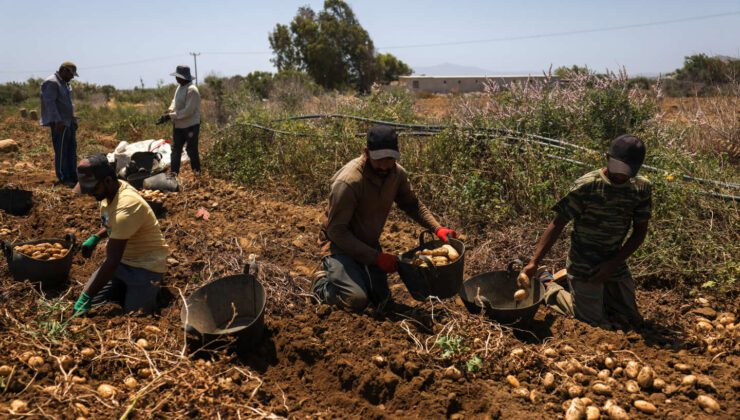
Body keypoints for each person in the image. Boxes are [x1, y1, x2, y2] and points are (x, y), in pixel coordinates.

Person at [313, 125, 457, 312]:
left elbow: (412, 204)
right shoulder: (349, 182)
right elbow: (336, 231)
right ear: (366, 152)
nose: (385, 165)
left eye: (390, 159)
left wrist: (437, 228)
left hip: (368, 244)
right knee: (356, 300)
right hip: (339, 247)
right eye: (379, 159)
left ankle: (358, 276)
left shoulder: (396, 174)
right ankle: (322, 285)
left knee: (381, 302)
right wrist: (376, 258)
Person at [522, 134, 652, 329]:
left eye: (629, 171)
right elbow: (558, 223)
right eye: (620, 169)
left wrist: (612, 264)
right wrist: (534, 262)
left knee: (631, 316)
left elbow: (639, 233)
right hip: (584, 261)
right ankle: (548, 284)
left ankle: (588, 289)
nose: (623, 176)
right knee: (593, 320)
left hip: (614, 259)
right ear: (607, 158)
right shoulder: (587, 186)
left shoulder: (641, 187)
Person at [72, 154, 170, 315]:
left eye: (93, 188)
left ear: (108, 181)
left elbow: (111, 261)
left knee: (135, 315)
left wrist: (85, 297)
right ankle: (124, 288)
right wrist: (97, 237)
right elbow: (113, 222)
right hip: (123, 263)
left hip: (146, 267)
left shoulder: (127, 205)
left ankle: (153, 289)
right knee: (95, 304)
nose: (90, 194)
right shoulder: (113, 190)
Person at [40, 61, 79, 187]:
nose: (72, 77)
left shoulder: (65, 84)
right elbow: (49, 104)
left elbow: (68, 104)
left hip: (68, 122)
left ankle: (73, 175)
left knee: (71, 149)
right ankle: (63, 177)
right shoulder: (51, 82)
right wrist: (58, 121)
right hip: (60, 123)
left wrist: (73, 120)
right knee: (62, 151)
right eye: (71, 74)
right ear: (64, 70)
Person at [158, 65, 201, 174]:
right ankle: (174, 175)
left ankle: (197, 174)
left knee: (191, 151)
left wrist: (170, 116)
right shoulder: (180, 87)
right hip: (178, 126)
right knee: (175, 150)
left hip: (190, 126)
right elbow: (174, 101)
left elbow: (188, 111)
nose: (176, 78)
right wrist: (169, 110)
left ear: (183, 77)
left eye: (178, 76)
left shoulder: (192, 90)